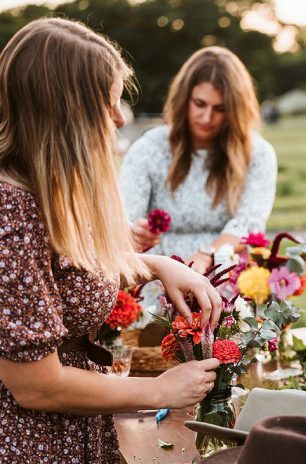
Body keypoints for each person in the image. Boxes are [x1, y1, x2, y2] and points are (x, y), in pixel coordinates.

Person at [0, 18, 224, 462]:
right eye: (109, 103)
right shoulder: (12, 213)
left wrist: (156, 265)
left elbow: (64, 274)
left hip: (74, 433)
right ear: (64, 111)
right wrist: (159, 388)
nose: (121, 118)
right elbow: (35, 386)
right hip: (34, 444)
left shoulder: (47, 190)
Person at [119, 46, 277, 274]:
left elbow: (248, 223)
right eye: (199, 104)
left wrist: (207, 254)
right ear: (184, 99)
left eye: (220, 109)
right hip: (159, 275)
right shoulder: (149, 147)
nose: (207, 117)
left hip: (225, 273)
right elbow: (125, 214)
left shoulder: (257, 153)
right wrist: (135, 232)